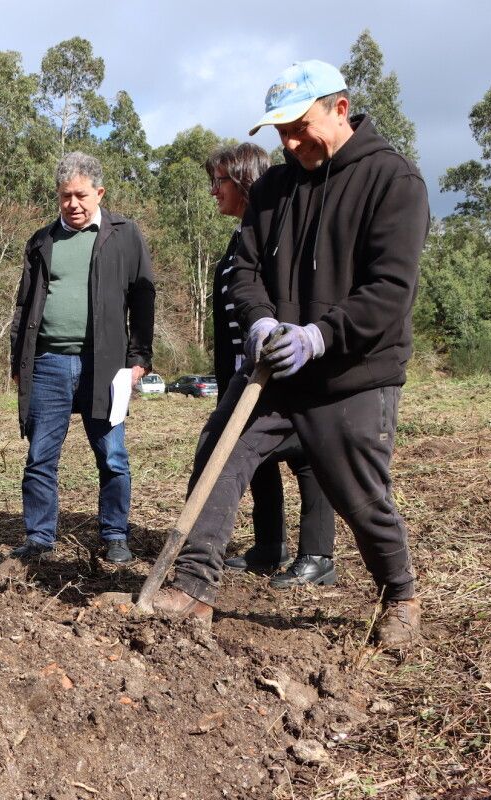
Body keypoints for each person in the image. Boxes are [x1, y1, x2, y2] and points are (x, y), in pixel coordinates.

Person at [152, 61, 429, 648]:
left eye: (301, 126)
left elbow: (389, 291)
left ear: (341, 109)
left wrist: (319, 336)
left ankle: (400, 595)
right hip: (273, 371)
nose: (291, 142)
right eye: (281, 132)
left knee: (359, 493)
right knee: (219, 457)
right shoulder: (275, 188)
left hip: (353, 374)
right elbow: (244, 270)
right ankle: (194, 588)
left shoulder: (393, 181)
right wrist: (261, 323)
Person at [9, 151, 156, 565]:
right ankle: (39, 538)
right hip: (48, 363)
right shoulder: (41, 241)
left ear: (99, 192)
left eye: (80, 195)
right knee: (40, 457)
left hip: (105, 367)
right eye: (64, 196)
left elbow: (143, 299)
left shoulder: (124, 235)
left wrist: (139, 357)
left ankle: (114, 535)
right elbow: (23, 305)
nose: (72, 204)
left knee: (112, 455)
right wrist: (18, 360)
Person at [205, 143, 338, 588]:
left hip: (286, 364)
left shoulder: (277, 230)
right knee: (255, 458)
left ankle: (317, 556)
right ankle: (268, 546)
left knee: (305, 456)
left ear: (244, 180)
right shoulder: (240, 235)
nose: (213, 190)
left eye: (219, 180)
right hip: (243, 369)